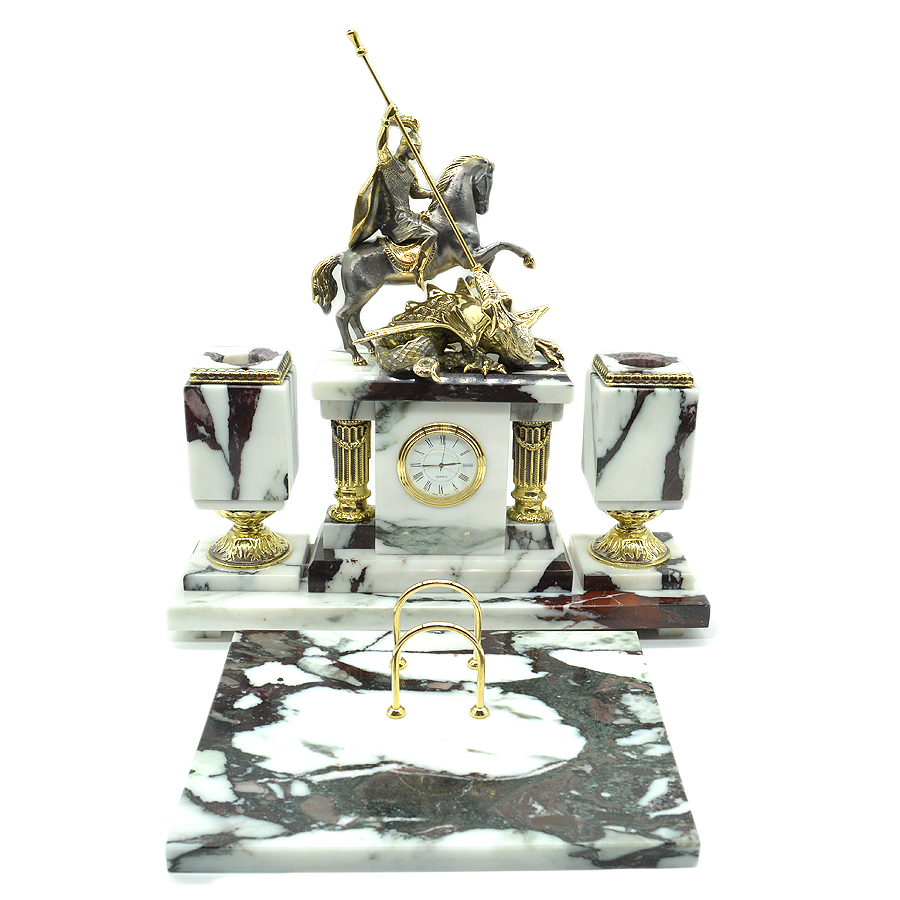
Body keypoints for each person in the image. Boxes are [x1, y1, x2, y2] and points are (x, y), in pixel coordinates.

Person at [349, 105, 438, 288]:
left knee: (434, 224)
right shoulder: (390, 165)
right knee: (432, 234)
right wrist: (386, 122)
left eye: (418, 150)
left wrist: (433, 194)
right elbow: (381, 147)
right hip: (397, 222)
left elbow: (415, 192)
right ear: (406, 146)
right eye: (416, 149)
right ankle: (419, 270)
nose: (417, 154)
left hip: (408, 216)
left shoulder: (410, 171)